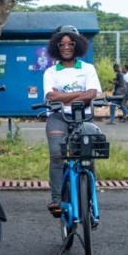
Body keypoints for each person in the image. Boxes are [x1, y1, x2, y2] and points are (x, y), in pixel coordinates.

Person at [42, 25, 102, 216]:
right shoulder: (51, 72)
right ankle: (57, 199)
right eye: (62, 44)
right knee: (57, 154)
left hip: (83, 116)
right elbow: (51, 97)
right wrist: (79, 93)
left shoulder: (88, 68)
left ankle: (89, 201)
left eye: (71, 43)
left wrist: (65, 95)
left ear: (78, 45)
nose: (66, 47)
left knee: (87, 158)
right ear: (56, 46)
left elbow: (92, 94)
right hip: (58, 117)